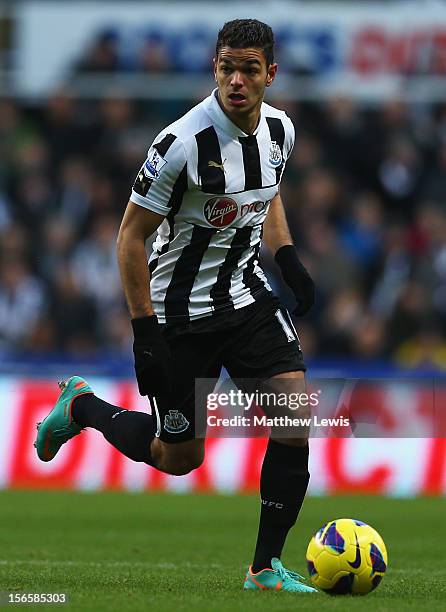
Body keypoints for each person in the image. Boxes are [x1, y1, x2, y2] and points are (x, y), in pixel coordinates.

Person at [35, 19, 317, 594]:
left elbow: (265, 190)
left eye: (249, 69)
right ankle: (84, 407)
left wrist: (285, 256)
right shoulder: (181, 143)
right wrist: (145, 332)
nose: (236, 80)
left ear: (271, 75)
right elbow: (130, 237)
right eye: (226, 67)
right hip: (178, 312)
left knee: (293, 420)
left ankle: (264, 569)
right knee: (178, 457)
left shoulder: (282, 131)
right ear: (215, 67)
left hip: (246, 295)